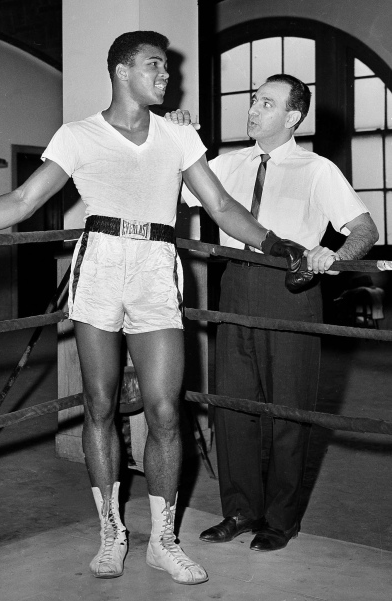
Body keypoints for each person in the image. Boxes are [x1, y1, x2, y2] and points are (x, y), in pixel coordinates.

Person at [0, 34, 308, 584]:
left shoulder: (176, 136)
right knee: (99, 404)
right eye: (155, 67)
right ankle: (111, 532)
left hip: (155, 269)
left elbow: (219, 205)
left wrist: (275, 244)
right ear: (122, 72)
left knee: (166, 409)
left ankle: (163, 538)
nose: (166, 76)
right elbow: (24, 201)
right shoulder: (78, 135)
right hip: (98, 266)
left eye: (167, 69)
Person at [177, 73, 378, 552]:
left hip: (292, 290)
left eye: (266, 103)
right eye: (252, 100)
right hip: (234, 285)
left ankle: (281, 520)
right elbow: (176, 184)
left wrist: (337, 256)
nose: (252, 109)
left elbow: (364, 228)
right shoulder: (225, 165)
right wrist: (178, 134)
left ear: (293, 116)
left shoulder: (317, 169)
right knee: (233, 405)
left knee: (289, 409)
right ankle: (241, 510)